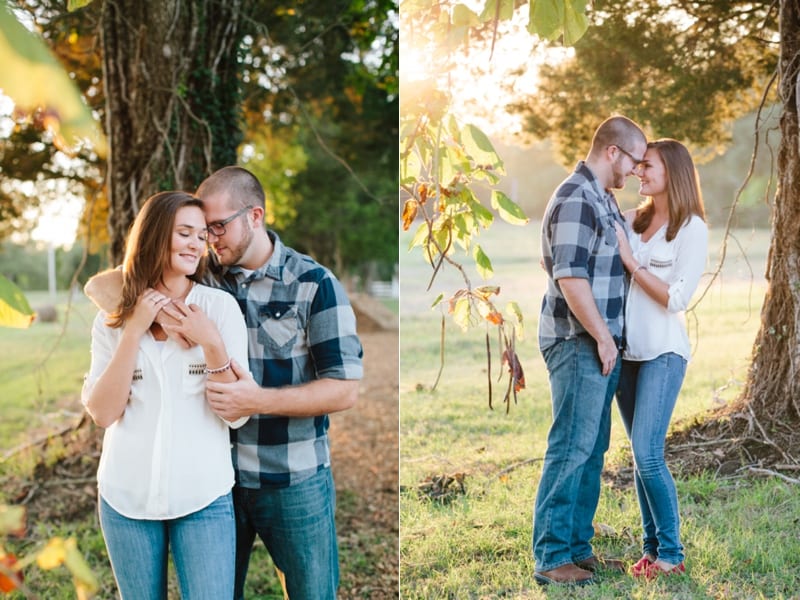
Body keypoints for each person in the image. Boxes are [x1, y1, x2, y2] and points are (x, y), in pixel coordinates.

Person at [85, 167, 363, 599]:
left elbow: (345, 388)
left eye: (218, 226)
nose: (209, 240)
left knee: (312, 592)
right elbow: (107, 285)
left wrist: (256, 398)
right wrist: (157, 314)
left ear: (255, 216)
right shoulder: (209, 273)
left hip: (289, 474)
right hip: (218, 480)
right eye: (199, 230)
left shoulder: (313, 284)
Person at [81, 191, 249, 599]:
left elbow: (237, 415)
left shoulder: (219, 309)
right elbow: (103, 414)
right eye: (184, 233)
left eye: (201, 235)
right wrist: (134, 328)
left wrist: (211, 344)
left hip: (203, 497)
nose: (196, 244)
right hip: (125, 499)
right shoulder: (114, 319)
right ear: (155, 237)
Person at [533, 115, 647, 586]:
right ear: (613, 152)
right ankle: (553, 556)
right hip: (577, 341)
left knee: (592, 448)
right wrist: (602, 337)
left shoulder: (603, 199)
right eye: (636, 161)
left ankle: (578, 549)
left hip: (599, 343)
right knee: (571, 448)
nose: (638, 171)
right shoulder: (576, 197)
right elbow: (570, 276)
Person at [614, 139, 707, 579]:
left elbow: (676, 297)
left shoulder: (693, 229)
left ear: (672, 171)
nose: (638, 172)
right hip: (626, 355)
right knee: (638, 454)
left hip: (663, 354)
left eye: (647, 165)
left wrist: (632, 263)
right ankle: (650, 552)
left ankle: (671, 554)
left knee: (649, 453)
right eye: (636, 165)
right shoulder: (633, 220)